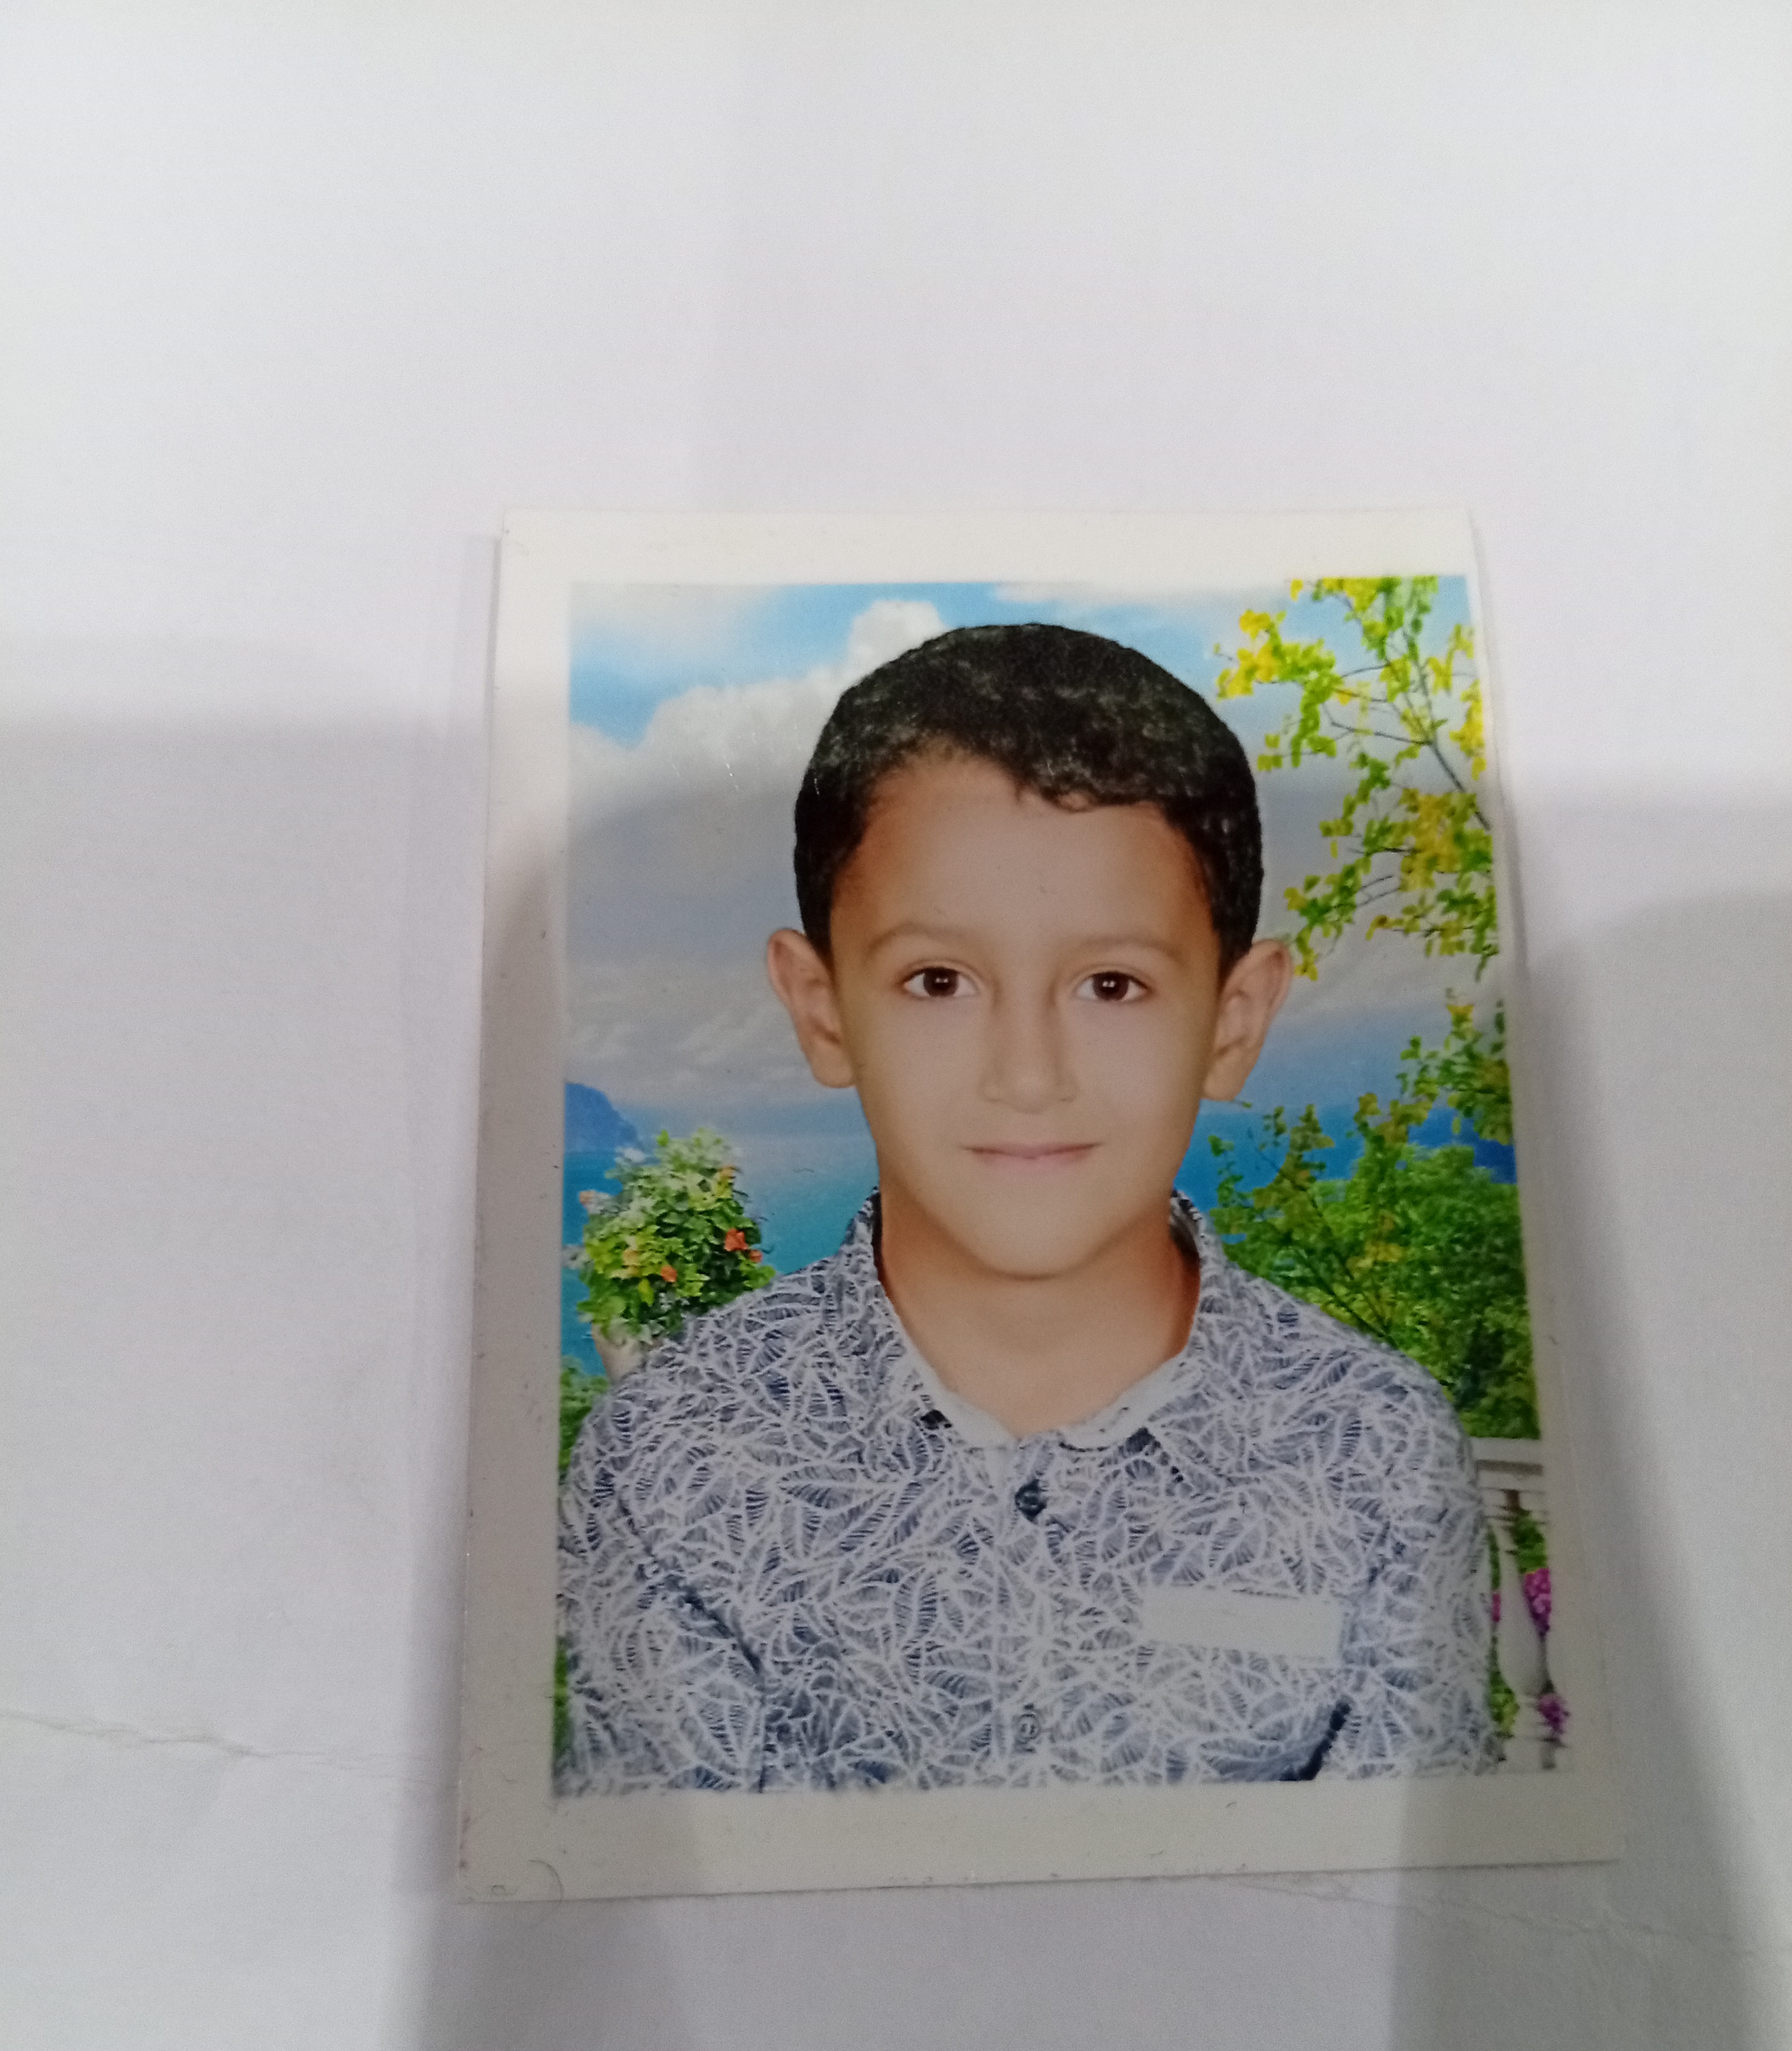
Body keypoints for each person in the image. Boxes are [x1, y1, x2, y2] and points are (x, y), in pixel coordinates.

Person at [556, 622, 1496, 1792]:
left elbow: (1409, 1883)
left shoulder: (1381, 1456)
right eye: (938, 981)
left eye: (1112, 985)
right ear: (821, 1008)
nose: (1028, 1073)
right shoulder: (675, 1459)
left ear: (1235, 1021)